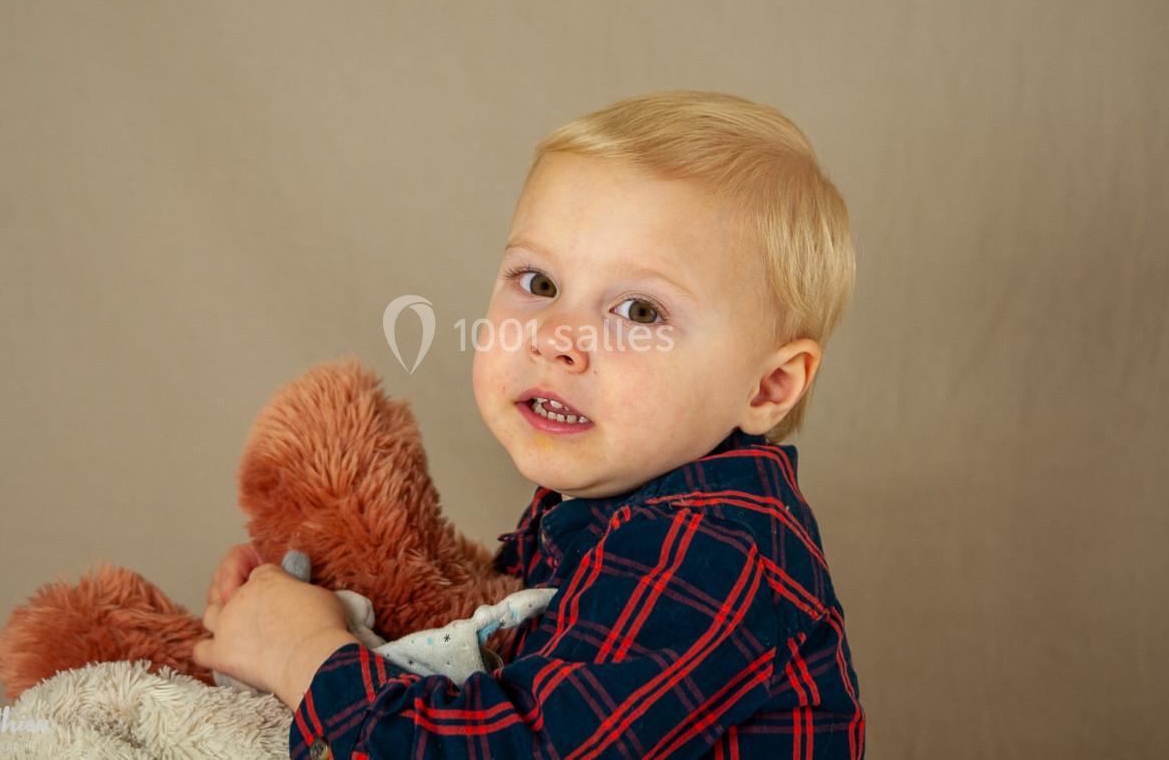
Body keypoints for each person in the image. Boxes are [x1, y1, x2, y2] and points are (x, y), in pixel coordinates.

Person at [193, 90, 866, 758]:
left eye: (639, 312)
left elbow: (518, 748)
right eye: (540, 283)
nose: (555, 337)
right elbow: (481, 641)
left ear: (768, 386)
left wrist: (307, 657)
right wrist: (309, 600)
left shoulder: (715, 551)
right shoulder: (612, 501)